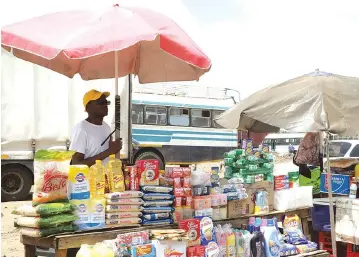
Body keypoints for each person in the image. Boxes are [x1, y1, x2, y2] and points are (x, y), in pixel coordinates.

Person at [70, 89, 122, 167]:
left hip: (103, 177)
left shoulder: (106, 127)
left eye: (106, 103)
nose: (105, 105)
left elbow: (107, 156)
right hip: (88, 178)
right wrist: (109, 151)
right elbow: (76, 164)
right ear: (88, 107)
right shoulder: (81, 128)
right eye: (101, 103)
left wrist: (114, 149)